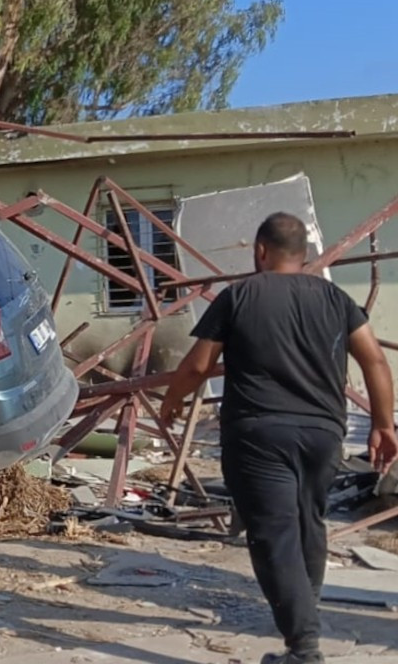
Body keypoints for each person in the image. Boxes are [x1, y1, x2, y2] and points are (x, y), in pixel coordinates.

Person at [162, 212, 397, 664]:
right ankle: (302, 622)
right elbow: (376, 362)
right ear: (304, 255)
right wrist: (384, 424)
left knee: (274, 533)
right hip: (324, 434)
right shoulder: (334, 298)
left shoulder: (239, 295)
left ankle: (304, 648)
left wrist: (173, 399)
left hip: (258, 434)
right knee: (309, 523)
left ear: (261, 251)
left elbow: (197, 366)